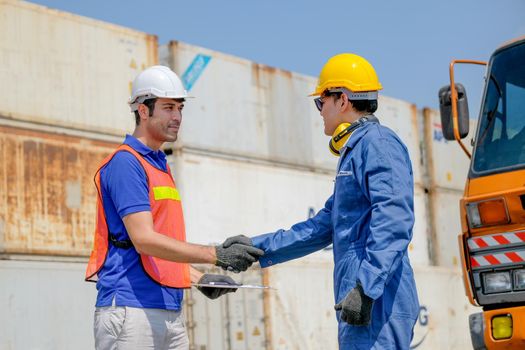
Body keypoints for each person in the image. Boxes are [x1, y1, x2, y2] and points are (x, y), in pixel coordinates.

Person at [222, 54, 420, 349]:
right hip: (361, 299)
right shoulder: (356, 150)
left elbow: (394, 219)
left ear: (343, 100)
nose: (319, 111)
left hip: (377, 301)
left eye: (321, 101)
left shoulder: (377, 143)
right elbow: (320, 228)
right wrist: (256, 247)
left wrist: (366, 288)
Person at [85, 65, 264, 350]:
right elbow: (143, 240)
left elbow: (161, 247)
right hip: (132, 309)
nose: (178, 116)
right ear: (143, 110)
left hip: (169, 307)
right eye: (168, 107)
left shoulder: (160, 164)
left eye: (180, 108)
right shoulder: (126, 162)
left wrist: (199, 277)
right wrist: (215, 254)